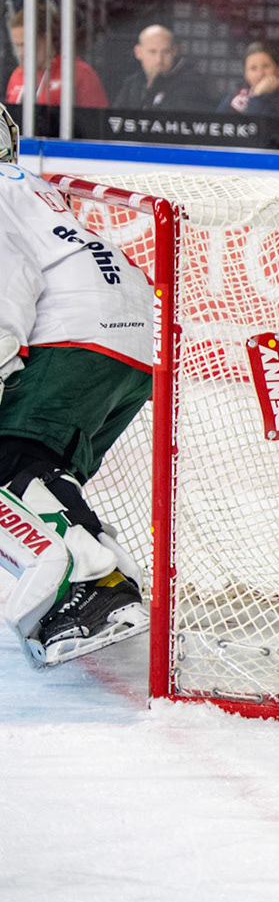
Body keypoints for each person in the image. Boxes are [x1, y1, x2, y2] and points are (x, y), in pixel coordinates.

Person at [0, 108, 153, 667]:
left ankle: (100, 590)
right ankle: (106, 578)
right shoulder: (21, 185)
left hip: (75, 334)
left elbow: (6, 276)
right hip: (125, 339)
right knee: (37, 470)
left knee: (11, 461)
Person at [6, 6, 109, 110]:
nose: (20, 53)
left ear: (47, 39)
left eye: (25, 45)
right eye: (17, 46)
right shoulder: (18, 75)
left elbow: (97, 121)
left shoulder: (78, 73)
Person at [227, 41, 279, 123]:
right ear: (246, 74)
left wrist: (259, 96)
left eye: (266, 66)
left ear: (278, 69)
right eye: (253, 68)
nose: (260, 74)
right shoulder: (235, 97)